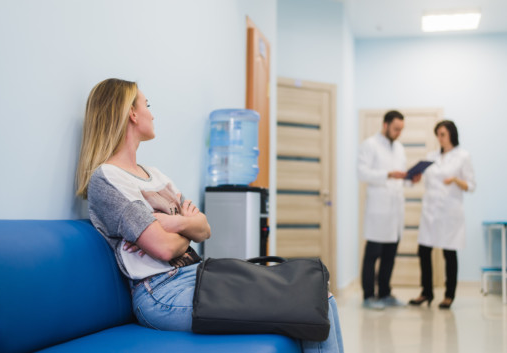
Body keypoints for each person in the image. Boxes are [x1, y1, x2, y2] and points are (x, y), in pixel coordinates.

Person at [75, 78, 344, 352]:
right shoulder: (108, 179)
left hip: (199, 273)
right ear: (132, 113)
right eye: (147, 105)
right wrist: (185, 229)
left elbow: (204, 228)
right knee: (306, 305)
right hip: (162, 294)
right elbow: (165, 247)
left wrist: (174, 223)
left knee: (321, 295)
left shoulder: (155, 175)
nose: (151, 113)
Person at [409, 120, 476, 309]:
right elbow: (426, 179)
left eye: (443, 134)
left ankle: (449, 295)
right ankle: (426, 292)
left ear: (451, 135)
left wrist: (455, 179)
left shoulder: (463, 156)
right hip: (430, 211)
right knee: (423, 251)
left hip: (450, 213)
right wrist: (416, 177)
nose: (439, 138)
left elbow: (471, 185)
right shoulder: (431, 157)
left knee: (449, 252)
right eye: (437, 134)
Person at [357, 110, 420, 310]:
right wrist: (388, 174)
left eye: (401, 129)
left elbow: (399, 178)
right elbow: (362, 172)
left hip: (395, 211)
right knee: (372, 255)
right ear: (385, 125)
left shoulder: (399, 148)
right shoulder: (369, 145)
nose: (398, 133)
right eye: (395, 129)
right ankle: (368, 296)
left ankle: (385, 293)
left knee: (389, 256)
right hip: (378, 210)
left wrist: (410, 179)